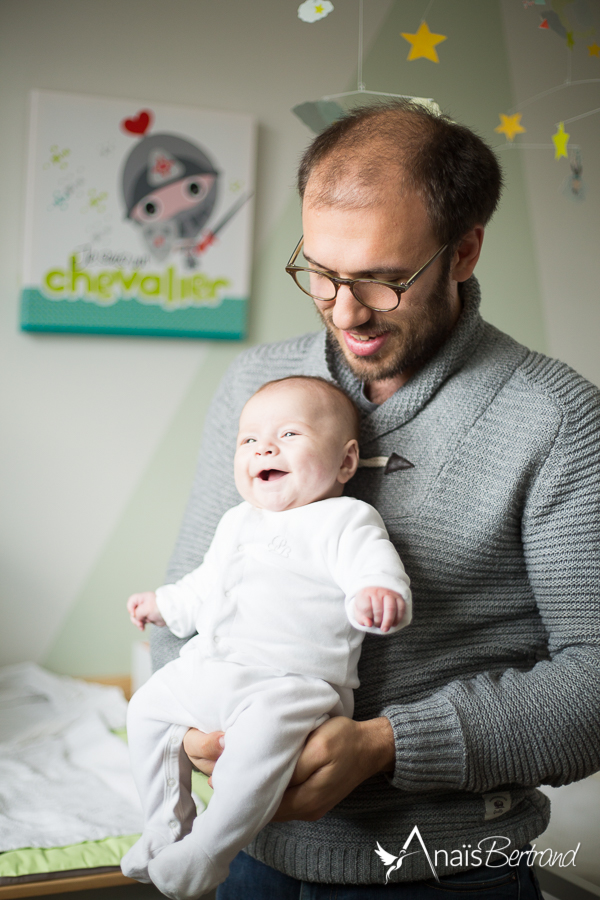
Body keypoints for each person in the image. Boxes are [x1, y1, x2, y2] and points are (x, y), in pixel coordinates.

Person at [151, 101, 600, 898]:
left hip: (450, 868)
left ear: (463, 250)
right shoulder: (255, 386)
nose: (346, 311)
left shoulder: (557, 419)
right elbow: (196, 591)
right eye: (321, 273)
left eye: (385, 280)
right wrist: (197, 735)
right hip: (253, 859)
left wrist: (388, 744)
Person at [121, 376, 411, 899]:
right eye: (248, 440)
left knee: (253, 754)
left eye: (289, 434)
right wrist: (165, 604)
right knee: (145, 710)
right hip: (212, 669)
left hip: (292, 685)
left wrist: (380, 593)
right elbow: (205, 586)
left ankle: (209, 849)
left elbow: (373, 568)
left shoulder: (345, 520)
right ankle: (165, 824)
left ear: (346, 463)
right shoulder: (236, 521)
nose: (264, 448)